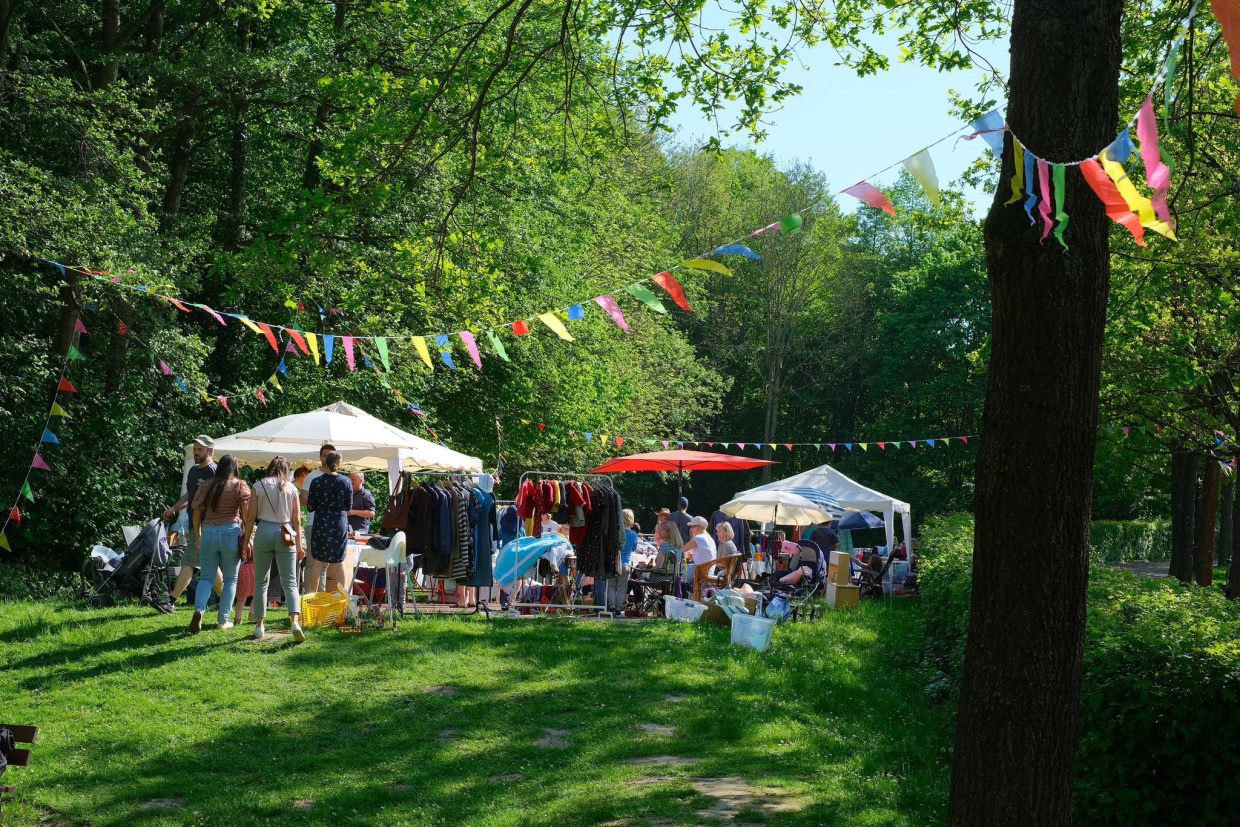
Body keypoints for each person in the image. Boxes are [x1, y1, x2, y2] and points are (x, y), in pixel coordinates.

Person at [242, 456, 306, 642]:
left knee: (261, 581)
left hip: (264, 531)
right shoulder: (292, 488)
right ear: (287, 470)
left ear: (269, 468)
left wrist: (247, 541)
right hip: (286, 532)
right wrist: (300, 544)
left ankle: (259, 625)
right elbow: (296, 520)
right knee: (291, 582)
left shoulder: (258, 485)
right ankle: (295, 621)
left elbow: (251, 516)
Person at [189, 454, 251, 634]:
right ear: (235, 467)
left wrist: (199, 535)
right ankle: (223, 620)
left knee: (207, 577)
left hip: (208, 532)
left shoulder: (207, 485)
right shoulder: (240, 485)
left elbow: (195, 512)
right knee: (231, 578)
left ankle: (199, 610)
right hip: (231, 532)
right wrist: (247, 535)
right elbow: (246, 512)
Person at [163, 436, 222, 604]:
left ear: (210, 451)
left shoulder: (215, 471)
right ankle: (224, 600)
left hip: (206, 525)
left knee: (188, 562)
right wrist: (174, 508)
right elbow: (190, 495)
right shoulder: (194, 471)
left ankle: (171, 602)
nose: (196, 452)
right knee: (209, 564)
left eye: (200, 449)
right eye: (195, 449)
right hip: (193, 523)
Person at [306, 451, 352, 594]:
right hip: (339, 523)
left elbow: (310, 506)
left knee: (317, 563)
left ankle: (312, 598)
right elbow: (348, 506)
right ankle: (341, 599)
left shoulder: (316, 481)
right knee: (340, 563)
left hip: (321, 524)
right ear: (339, 464)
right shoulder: (346, 482)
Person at [299, 443, 336, 590]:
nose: (328, 458)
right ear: (320, 457)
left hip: (331, 524)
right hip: (314, 523)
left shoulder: (338, 478)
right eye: (325, 455)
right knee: (313, 563)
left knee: (325, 564)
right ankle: (309, 600)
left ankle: (320, 600)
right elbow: (302, 500)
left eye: (331, 455)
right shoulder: (312, 477)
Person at [606, 509, 638, 615]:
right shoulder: (634, 535)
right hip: (625, 564)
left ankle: (611, 607)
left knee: (611, 586)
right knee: (622, 587)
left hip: (613, 562)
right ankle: (618, 609)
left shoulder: (616, 532)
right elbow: (634, 548)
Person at [681, 515, 717, 586]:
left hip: (701, 570)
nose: (691, 529)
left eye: (693, 526)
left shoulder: (698, 538)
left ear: (699, 527)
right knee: (681, 567)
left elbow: (682, 549)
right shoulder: (709, 538)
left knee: (676, 576)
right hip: (708, 569)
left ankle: (675, 594)